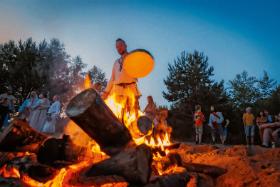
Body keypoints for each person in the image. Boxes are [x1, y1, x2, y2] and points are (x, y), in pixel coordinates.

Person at [102, 38, 141, 122]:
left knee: (132, 116)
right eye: (117, 47)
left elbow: (139, 71)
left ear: (125, 45)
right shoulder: (116, 62)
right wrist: (106, 92)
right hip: (117, 92)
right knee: (118, 117)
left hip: (130, 90)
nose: (118, 48)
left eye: (120, 45)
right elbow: (112, 78)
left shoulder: (133, 59)